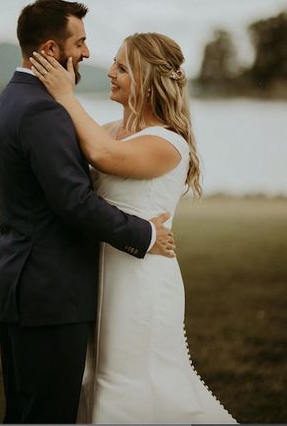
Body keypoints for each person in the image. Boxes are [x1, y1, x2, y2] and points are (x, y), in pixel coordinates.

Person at [0, 0, 176, 424]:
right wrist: (143, 233)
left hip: (21, 283)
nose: (89, 54)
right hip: (49, 293)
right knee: (47, 415)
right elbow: (73, 202)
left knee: (25, 413)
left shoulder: (9, 102)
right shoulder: (42, 111)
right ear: (52, 50)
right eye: (82, 42)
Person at [30, 31, 238, 424]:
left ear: (147, 80)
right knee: (96, 377)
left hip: (141, 281)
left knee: (133, 380)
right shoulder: (109, 128)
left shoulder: (167, 143)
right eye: (113, 63)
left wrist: (65, 96)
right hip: (94, 274)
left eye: (122, 67)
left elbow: (102, 156)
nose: (110, 72)